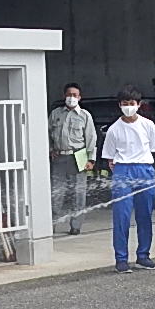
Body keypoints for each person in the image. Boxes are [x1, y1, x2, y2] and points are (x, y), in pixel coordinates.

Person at [100, 86, 155, 273]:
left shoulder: (148, 125)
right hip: (123, 170)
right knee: (121, 216)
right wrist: (120, 170)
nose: (128, 107)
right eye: (125, 103)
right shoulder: (113, 129)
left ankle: (143, 256)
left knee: (145, 215)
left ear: (138, 104)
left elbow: (152, 149)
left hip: (144, 169)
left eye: (131, 103)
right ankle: (121, 259)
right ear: (119, 105)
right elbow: (110, 157)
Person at [47, 82, 97, 236]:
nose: (71, 98)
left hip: (78, 156)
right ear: (64, 96)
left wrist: (91, 159)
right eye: (69, 95)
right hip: (59, 156)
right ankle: (51, 225)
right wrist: (50, 149)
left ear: (80, 97)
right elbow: (47, 133)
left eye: (75, 95)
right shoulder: (56, 113)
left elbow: (91, 138)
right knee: (57, 192)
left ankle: (76, 225)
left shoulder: (85, 116)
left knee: (78, 193)